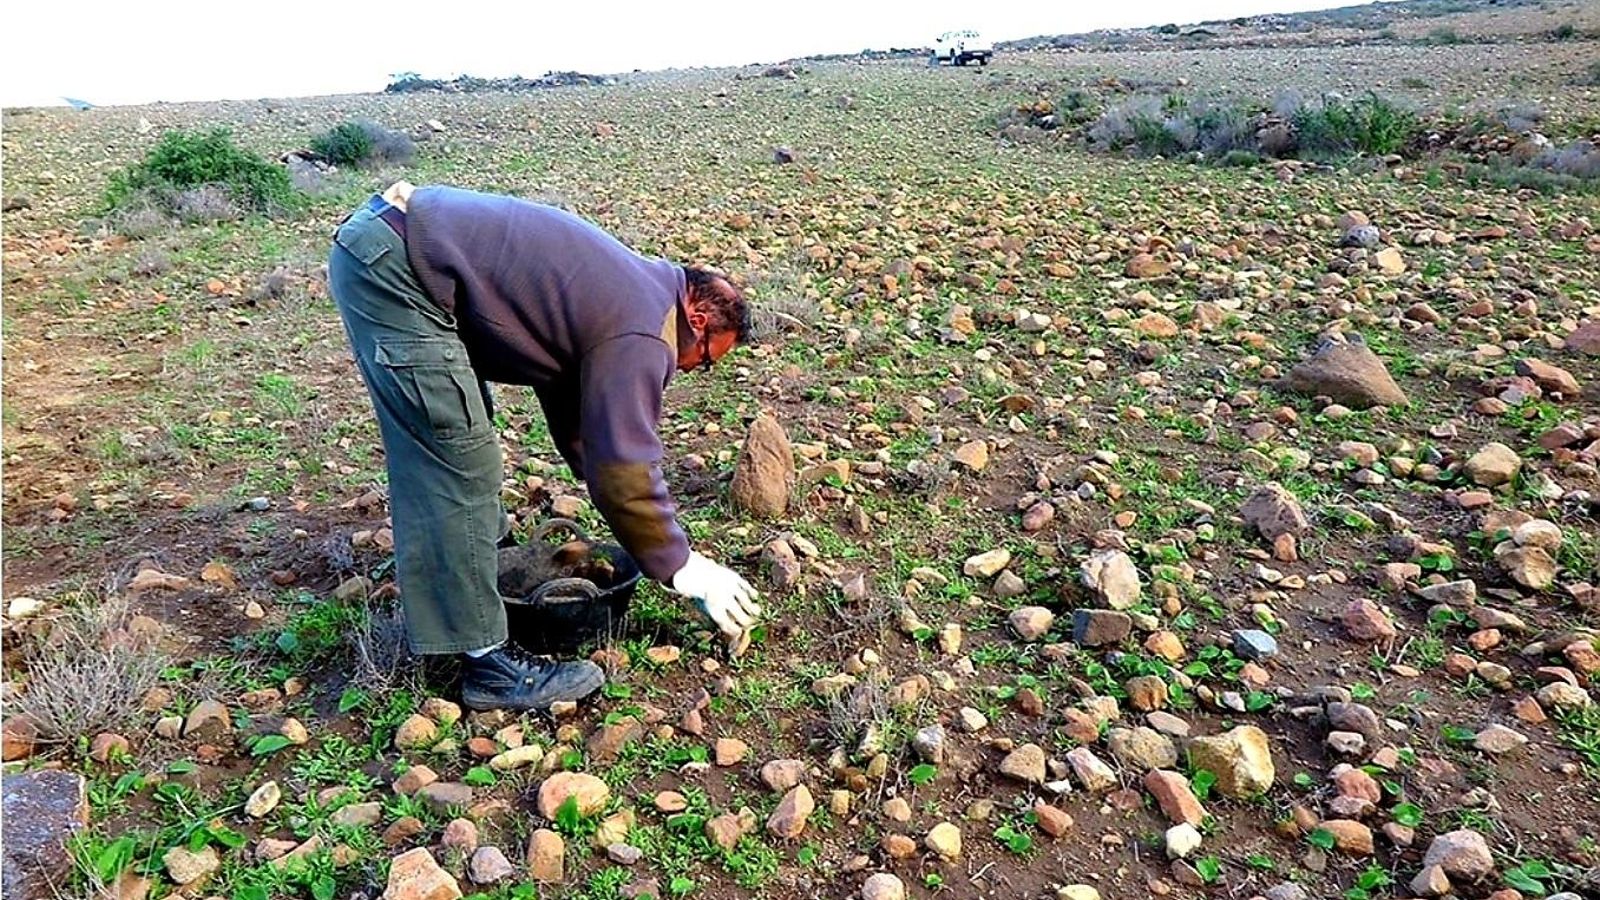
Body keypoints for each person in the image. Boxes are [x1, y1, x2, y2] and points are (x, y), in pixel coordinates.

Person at [328, 181, 762, 711]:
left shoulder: (638, 288)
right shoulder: (646, 329)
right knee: (455, 457)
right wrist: (681, 565)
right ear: (696, 320)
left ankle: (486, 571)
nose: (695, 370)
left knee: (463, 429)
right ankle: (486, 663)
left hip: (395, 245)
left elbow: (573, 397)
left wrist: (600, 477)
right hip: (399, 269)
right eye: (707, 359)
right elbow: (623, 462)